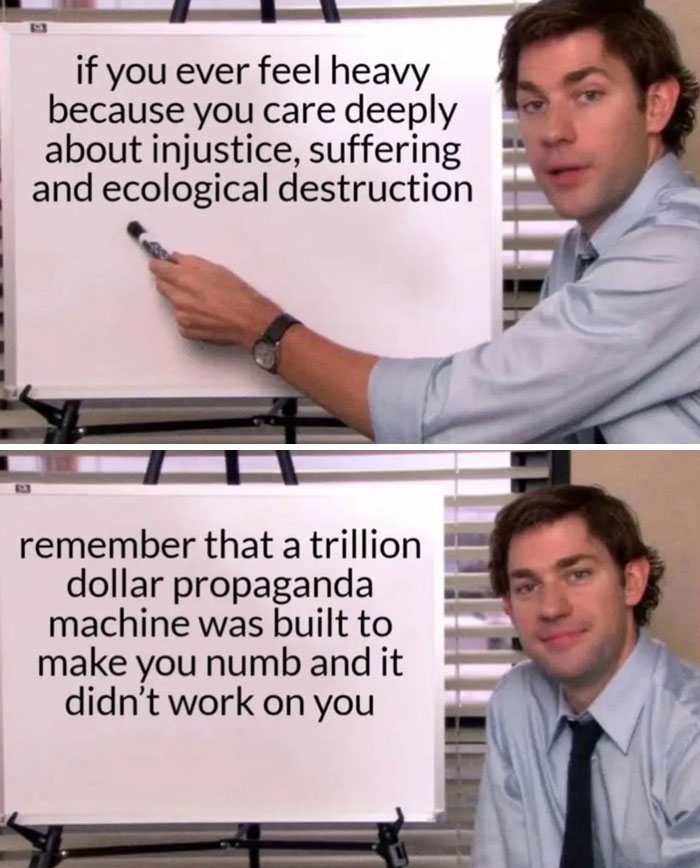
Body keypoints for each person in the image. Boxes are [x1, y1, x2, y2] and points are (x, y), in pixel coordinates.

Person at [150, 0, 700, 444]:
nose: (554, 131)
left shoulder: (679, 253)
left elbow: (443, 417)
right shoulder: (580, 250)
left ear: (656, 107)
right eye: (533, 104)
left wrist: (257, 326)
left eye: (588, 95)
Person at [472, 484, 700, 867]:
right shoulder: (517, 704)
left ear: (631, 583)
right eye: (528, 586)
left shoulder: (688, 733)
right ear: (508, 608)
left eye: (577, 574)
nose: (551, 608)